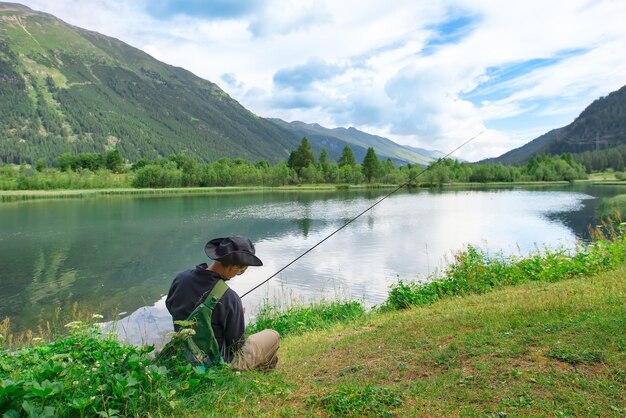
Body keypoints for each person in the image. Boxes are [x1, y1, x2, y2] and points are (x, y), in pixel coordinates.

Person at [165, 236, 280, 371]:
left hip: (184, 353)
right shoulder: (230, 298)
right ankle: (261, 372)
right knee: (273, 335)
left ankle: (262, 371)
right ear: (233, 267)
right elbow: (237, 345)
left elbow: (171, 306)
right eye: (240, 272)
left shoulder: (181, 279)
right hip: (217, 363)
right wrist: (237, 315)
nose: (237, 274)